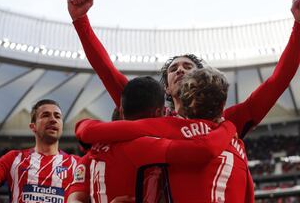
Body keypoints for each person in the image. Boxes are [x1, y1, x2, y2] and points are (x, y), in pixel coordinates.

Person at [68, 0, 300, 202]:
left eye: (188, 67)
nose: (180, 70)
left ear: (201, 78)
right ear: (166, 89)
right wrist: (81, 21)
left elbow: (276, 83)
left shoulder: (229, 120)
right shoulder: (153, 121)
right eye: (174, 69)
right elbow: (108, 72)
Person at [69, 75, 236, 203]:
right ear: (160, 112)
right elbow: (203, 150)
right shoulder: (146, 147)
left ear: (121, 111)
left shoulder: (92, 153)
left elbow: (73, 198)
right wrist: (228, 126)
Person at [0, 99, 78, 203]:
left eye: (57, 116)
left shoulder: (76, 164)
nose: (53, 119)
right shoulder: (13, 159)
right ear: (33, 126)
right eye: (45, 115)